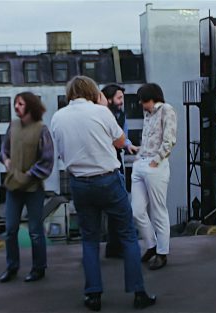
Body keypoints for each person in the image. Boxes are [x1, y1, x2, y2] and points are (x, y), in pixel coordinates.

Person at [51, 76, 156, 311]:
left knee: (89, 239)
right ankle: (138, 293)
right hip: (107, 180)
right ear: (92, 92)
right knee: (128, 236)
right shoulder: (101, 112)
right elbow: (120, 142)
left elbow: (60, 152)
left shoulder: (58, 117)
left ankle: (93, 295)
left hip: (79, 182)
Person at [0, 92, 54, 283]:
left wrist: (29, 175)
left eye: (20, 104)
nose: (16, 107)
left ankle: (39, 268)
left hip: (33, 189)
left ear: (30, 106)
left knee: (35, 231)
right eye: (15, 103)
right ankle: (11, 267)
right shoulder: (12, 126)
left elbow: (47, 160)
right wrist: (6, 160)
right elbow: (4, 149)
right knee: (10, 229)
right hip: (13, 187)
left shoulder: (41, 129)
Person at [131, 83, 177, 271]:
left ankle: (162, 252)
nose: (142, 104)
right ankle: (151, 246)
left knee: (158, 211)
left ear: (153, 98)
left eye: (144, 100)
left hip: (155, 165)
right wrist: (139, 158)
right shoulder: (148, 114)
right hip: (142, 162)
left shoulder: (167, 110)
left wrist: (155, 161)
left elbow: (170, 140)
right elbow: (147, 138)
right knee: (137, 211)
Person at [100, 84, 139, 259]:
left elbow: (123, 135)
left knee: (119, 204)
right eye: (119, 98)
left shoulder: (121, 115)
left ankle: (114, 245)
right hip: (105, 163)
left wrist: (128, 145)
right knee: (116, 205)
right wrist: (124, 143)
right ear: (108, 100)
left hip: (116, 161)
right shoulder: (102, 116)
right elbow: (117, 138)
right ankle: (116, 245)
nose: (122, 102)